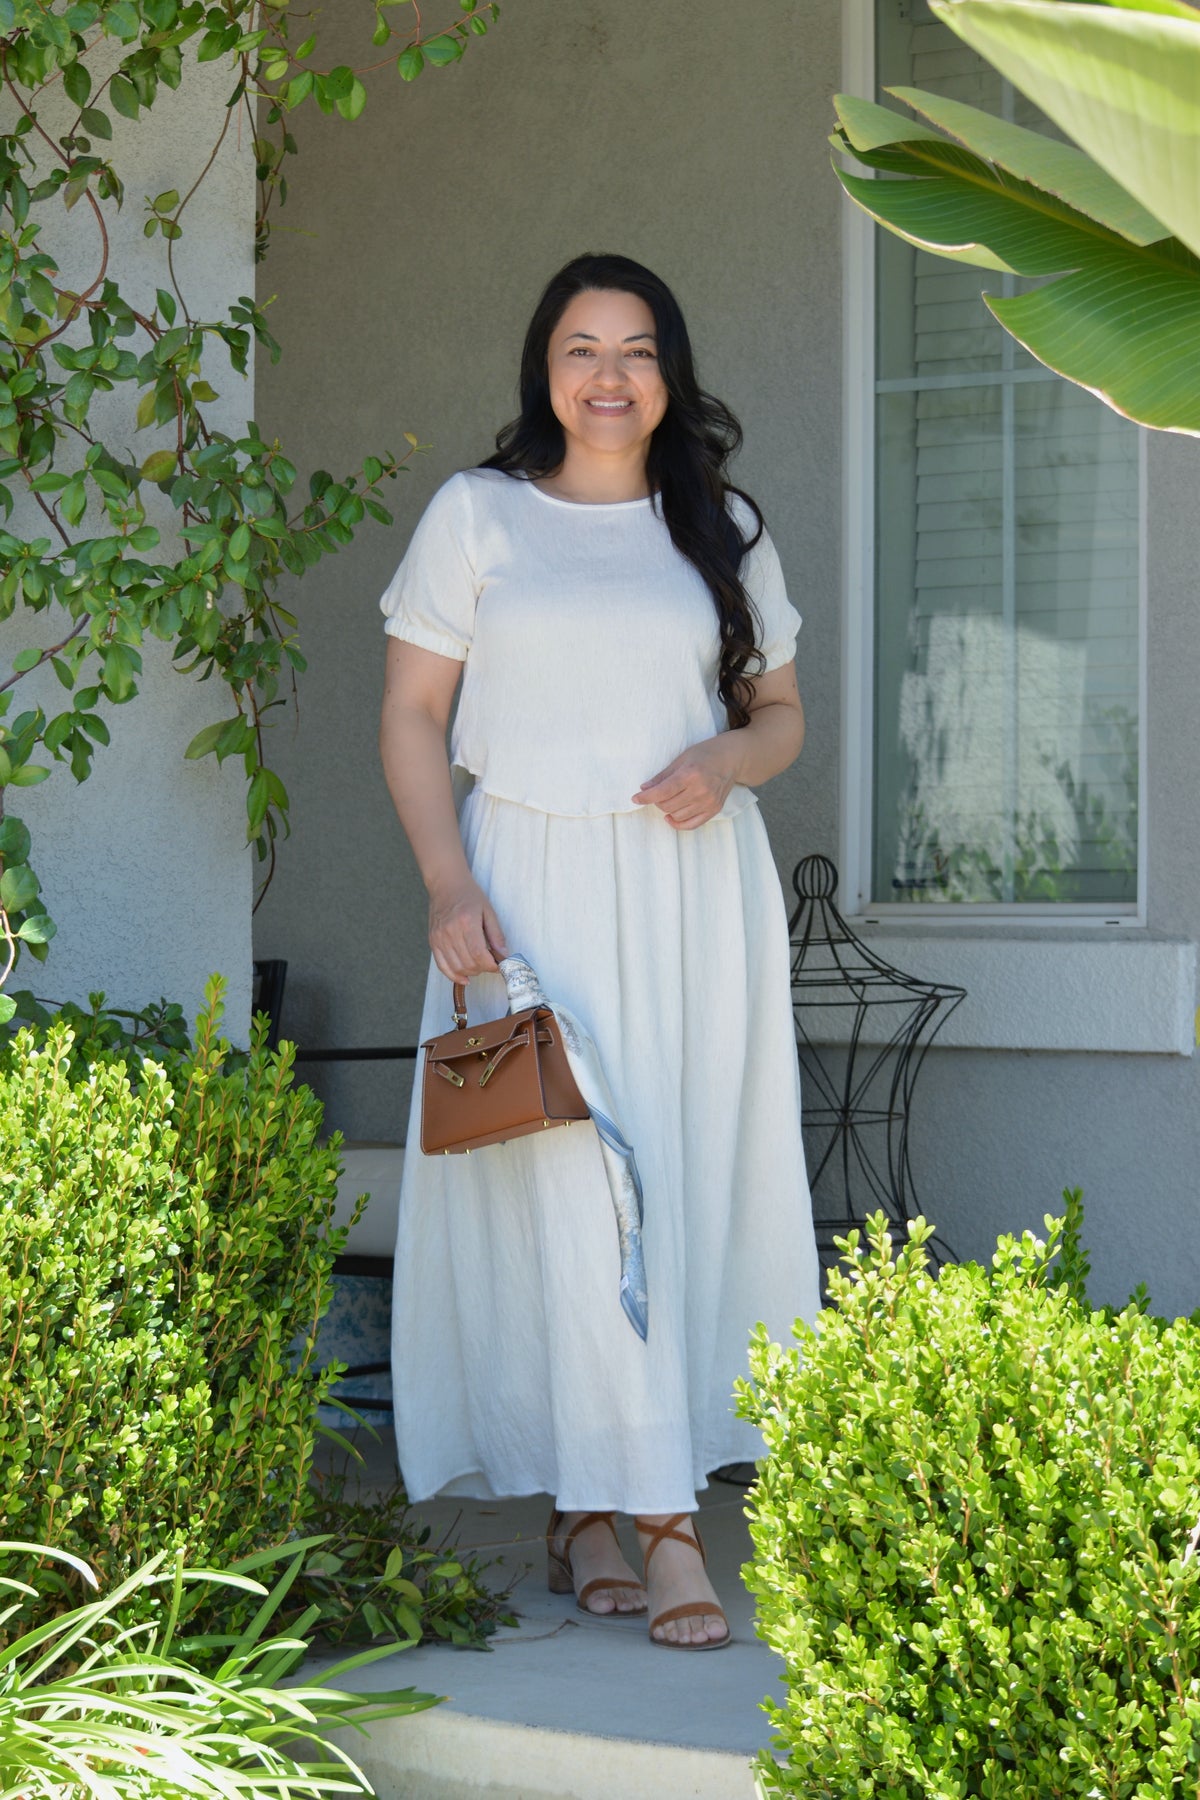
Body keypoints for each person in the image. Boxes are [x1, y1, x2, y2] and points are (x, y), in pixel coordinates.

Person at [378, 251, 821, 1651]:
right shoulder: (478, 515)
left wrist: (727, 761)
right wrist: (447, 883)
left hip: (691, 892)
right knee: (567, 1197)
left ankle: (613, 1512)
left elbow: (780, 716)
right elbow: (410, 717)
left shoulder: (724, 529)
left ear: (669, 373)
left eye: (637, 350)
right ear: (545, 368)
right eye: (582, 348)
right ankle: (644, 1519)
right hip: (527, 892)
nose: (610, 376)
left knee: (672, 1187)